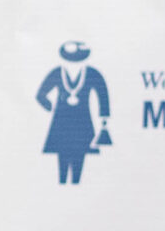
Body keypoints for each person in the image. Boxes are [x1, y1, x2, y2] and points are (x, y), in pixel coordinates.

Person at [36, 40, 110, 184]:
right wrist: (50, 107)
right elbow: (41, 95)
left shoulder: (91, 73)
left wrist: (104, 117)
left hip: (82, 122)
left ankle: (75, 184)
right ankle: (63, 183)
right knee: (62, 156)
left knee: (79, 156)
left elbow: (103, 95)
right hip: (61, 122)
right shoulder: (58, 72)